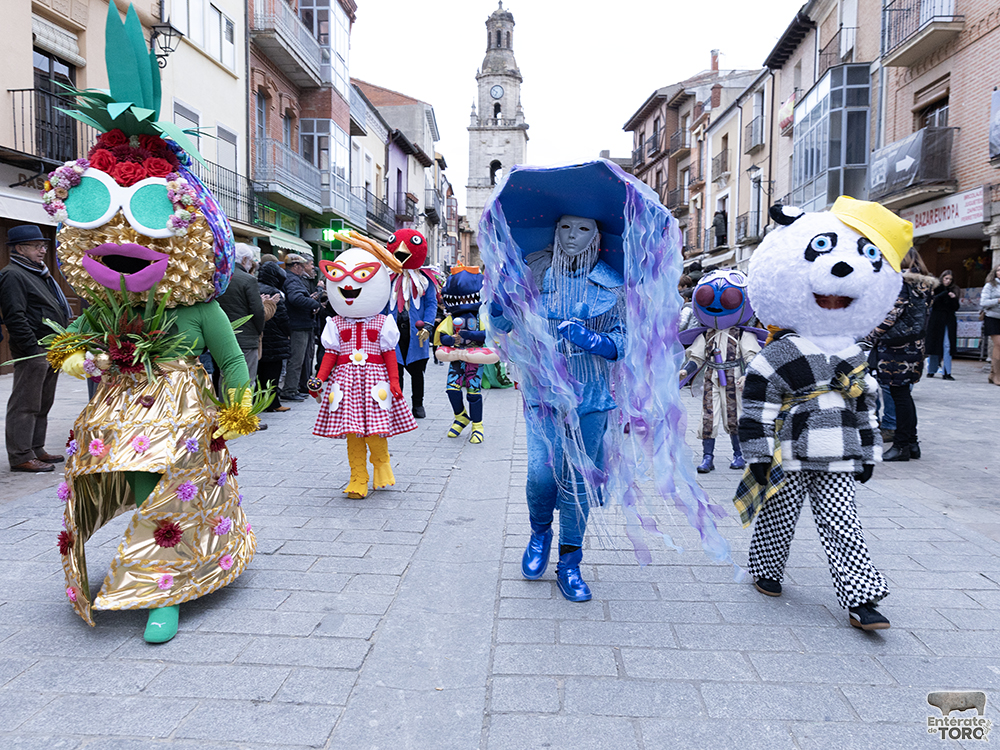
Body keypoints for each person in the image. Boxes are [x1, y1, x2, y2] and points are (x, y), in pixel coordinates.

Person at [739, 197, 912, 631]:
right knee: (778, 516)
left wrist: (869, 452)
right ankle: (766, 570)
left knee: (844, 525)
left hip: (839, 454)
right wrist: (758, 455)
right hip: (788, 453)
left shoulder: (855, 353)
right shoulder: (779, 354)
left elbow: (866, 405)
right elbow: (756, 406)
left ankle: (862, 599)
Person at [308, 231, 416, 498]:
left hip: (375, 383)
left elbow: (389, 353)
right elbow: (330, 355)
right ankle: (358, 477)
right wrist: (320, 378)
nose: (348, 288)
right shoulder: (335, 324)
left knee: (376, 431)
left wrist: (394, 381)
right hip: (344, 385)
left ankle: (381, 464)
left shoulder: (383, 323)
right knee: (352, 433)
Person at [0, 224, 71, 472]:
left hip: (51, 347)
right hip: (35, 349)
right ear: (20, 248)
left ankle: (36, 448)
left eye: (43, 246)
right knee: (25, 403)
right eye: (37, 246)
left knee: (43, 402)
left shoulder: (37, 272)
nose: (42, 250)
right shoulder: (13, 274)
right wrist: (32, 349)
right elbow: (15, 316)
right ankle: (20, 455)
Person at [866, 248, 934, 462]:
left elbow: (892, 314)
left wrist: (871, 336)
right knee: (904, 394)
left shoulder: (902, 283)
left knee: (899, 395)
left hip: (896, 348)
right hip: (914, 346)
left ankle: (902, 446)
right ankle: (911, 443)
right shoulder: (924, 284)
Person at [386, 229, 441, 419]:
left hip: (417, 331)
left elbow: (431, 303)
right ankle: (398, 406)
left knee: (417, 371)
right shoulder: (387, 277)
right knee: (395, 371)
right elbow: (381, 303)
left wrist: (427, 325)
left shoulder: (426, 279)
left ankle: (418, 404)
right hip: (392, 331)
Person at [214, 243, 265, 394]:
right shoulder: (248, 280)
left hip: (221, 335)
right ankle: (242, 413)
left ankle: (225, 410)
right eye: (250, 261)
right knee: (246, 378)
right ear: (244, 260)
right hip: (246, 336)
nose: (251, 265)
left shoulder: (219, 277)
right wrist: (259, 331)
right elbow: (257, 310)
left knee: (225, 376)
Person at [280, 253, 321, 402]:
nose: (304, 269)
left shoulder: (291, 279)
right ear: (296, 266)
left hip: (298, 323)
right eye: (303, 266)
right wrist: (314, 304)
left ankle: (294, 388)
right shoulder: (293, 280)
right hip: (298, 325)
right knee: (296, 359)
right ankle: (289, 390)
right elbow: (295, 298)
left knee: (298, 359)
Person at [257, 260, 291, 413]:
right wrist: (287, 333)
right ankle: (273, 402)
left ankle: (258, 402)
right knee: (273, 373)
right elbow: (282, 318)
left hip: (259, 336)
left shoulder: (254, 287)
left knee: (259, 372)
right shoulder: (274, 292)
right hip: (275, 339)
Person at [925, 269, 960, 380]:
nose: (948, 281)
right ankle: (932, 370)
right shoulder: (936, 288)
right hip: (936, 319)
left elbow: (956, 307)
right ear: (942, 278)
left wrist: (953, 298)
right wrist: (943, 294)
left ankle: (947, 372)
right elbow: (931, 302)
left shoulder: (954, 290)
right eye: (946, 278)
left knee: (947, 345)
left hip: (948, 320)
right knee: (936, 345)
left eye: (950, 279)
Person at [982, 263, 1000, 385]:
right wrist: (998, 300)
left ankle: (993, 373)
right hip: (992, 317)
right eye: (999, 270)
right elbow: (983, 302)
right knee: (998, 344)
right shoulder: (990, 285)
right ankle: (997, 376)